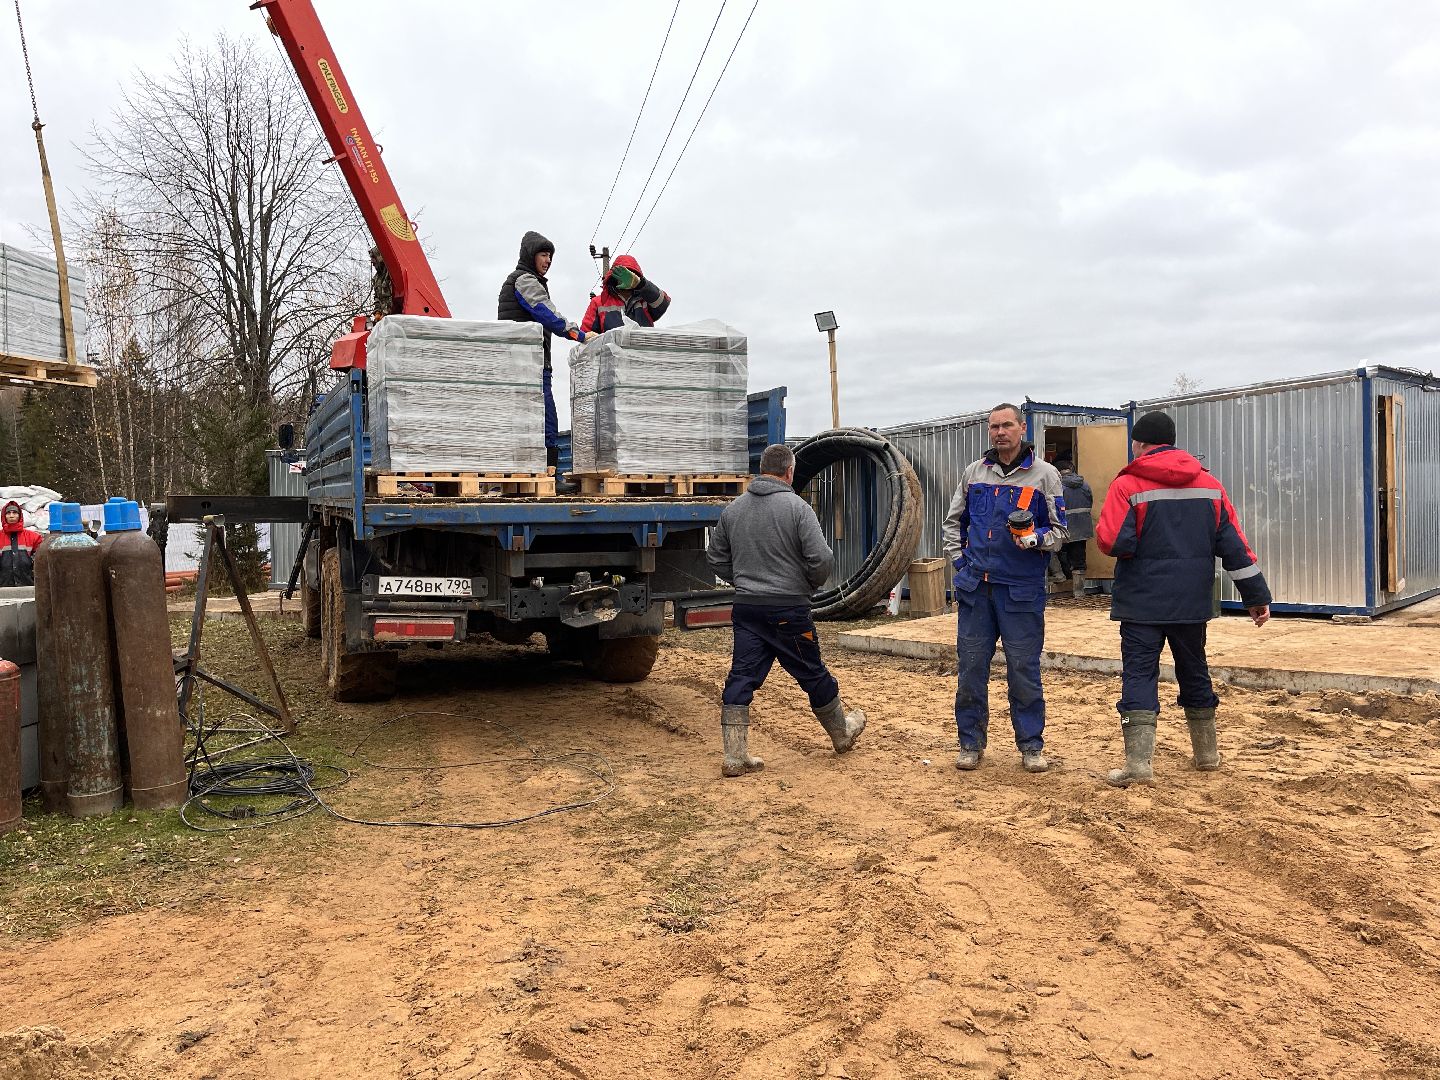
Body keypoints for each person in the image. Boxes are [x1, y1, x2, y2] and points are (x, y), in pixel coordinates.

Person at [1095, 410, 1272, 787]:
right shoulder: (1210, 486)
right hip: (1192, 601)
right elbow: (1235, 546)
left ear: (1140, 444)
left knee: (1140, 674)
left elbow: (1112, 541)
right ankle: (1207, 756)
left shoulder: (1127, 485)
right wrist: (1255, 597)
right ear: (1174, 442)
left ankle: (1139, 765)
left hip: (1142, 602)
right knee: (1194, 669)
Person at [705, 444, 865, 778]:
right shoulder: (798, 508)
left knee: (742, 675)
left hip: (748, 609)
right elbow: (821, 560)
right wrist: (806, 586)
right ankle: (841, 733)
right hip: (788, 610)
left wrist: (744, 580)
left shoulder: (733, 510)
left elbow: (716, 558)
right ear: (789, 472)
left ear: (761, 468)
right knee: (812, 672)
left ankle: (735, 757)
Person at [942, 404, 1069, 774]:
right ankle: (970, 743)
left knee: (1023, 670)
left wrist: (1037, 539)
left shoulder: (1044, 475)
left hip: (1021, 591)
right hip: (976, 590)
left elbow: (1061, 532)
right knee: (970, 669)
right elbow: (954, 524)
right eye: (994, 426)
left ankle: (1031, 746)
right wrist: (961, 564)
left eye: (1007, 425)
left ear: (1022, 427)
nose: (1001, 432)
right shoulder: (974, 472)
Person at [497, 230, 595, 474]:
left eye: (550, 256)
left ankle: (529, 473)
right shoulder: (525, 280)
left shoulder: (523, 280)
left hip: (525, 363)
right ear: (531, 255)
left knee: (525, 420)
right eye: (543, 254)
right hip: (530, 365)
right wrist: (579, 335)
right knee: (546, 419)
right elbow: (547, 314)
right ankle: (550, 475)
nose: (548, 260)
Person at [580, 255, 671, 336]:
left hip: (643, 352)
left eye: (630, 274)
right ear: (613, 276)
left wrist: (640, 284)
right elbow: (586, 334)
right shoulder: (598, 302)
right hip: (610, 354)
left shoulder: (645, 299)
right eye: (620, 274)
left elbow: (663, 303)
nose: (624, 278)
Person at [1053, 456, 1092, 598]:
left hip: (1064, 526)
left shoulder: (1058, 486)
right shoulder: (1085, 485)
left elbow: (1054, 507)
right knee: (1079, 559)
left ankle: (1060, 577)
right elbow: (1090, 502)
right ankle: (1079, 592)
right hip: (1082, 526)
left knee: (1053, 550)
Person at [0, 501, 44, 586]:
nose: (11, 516)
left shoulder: (33, 537)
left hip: (28, 584)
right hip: (3, 586)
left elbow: (41, 564)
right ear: (4, 516)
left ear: (20, 516)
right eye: (8, 513)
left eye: (15, 513)